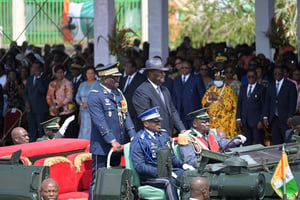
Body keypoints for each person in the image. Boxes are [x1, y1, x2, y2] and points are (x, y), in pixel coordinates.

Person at [87, 63, 136, 199]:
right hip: (102, 146)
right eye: (114, 78)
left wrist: (133, 136)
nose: (118, 80)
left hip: (118, 146)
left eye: (118, 77)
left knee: (114, 179)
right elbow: (99, 121)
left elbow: (125, 115)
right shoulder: (95, 95)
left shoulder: (118, 93)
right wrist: (111, 140)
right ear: (104, 79)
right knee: (98, 179)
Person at [130, 106, 194, 200]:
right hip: (150, 176)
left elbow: (172, 157)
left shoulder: (163, 135)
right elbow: (140, 166)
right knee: (169, 182)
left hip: (170, 171)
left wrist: (183, 165)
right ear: (146, 123)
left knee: (188, 175)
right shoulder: (140, 140)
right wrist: (162, 172)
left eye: (159, 121)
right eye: (155, 122)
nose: (159, 124)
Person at [133, 56, 185, 136]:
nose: (164, 74)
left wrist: (182, 130)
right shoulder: (142, 91)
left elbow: (173, 111)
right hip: (153, 137)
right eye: (160, 72)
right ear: (150, 73)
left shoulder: (165, 90)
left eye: (163, 71)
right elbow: (146, 118)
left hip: (167, 135)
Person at [178, 108, 246, 168]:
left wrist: (235, 141)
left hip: (218, 165)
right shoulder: (186, 137)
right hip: (202, 169)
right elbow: (190, 160)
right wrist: (207, 165)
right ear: (195, 124)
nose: (208, 124)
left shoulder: (211, 133)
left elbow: (223, 143)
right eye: (204, 122)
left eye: (208, 122)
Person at [263, 65, 297, 145]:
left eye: (279, 73)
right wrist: (265, 116)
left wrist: (290, 116)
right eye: (275, 73)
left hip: (285, 118)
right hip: (274, 118)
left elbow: (292, 102)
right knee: (275, 141)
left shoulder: (290, 85)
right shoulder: (270, 85)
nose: (277, 75)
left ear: (283, 74)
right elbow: (267, 102)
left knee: (287, 140)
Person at [202, 70, 238, 138]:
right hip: (212, 121)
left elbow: (229, 107)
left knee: (223, 139)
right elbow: (204, 106)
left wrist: (218, 98)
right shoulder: (210, 89)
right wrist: (209, 100)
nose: (217, 81)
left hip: (224, 122)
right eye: (216, 79)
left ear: (223, 80)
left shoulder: (229, 91)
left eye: (219, 79)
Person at [172, 59, 206, 129]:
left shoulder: (196, 79)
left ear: (190, 69)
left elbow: (202, 95)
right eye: (182, 68)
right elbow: (174, 96)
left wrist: (201, 111)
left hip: (192, 112)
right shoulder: (176, 80)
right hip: (179, 112)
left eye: (186, 68)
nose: (184, 69)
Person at [46, 64, 77, 138]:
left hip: (66, 111)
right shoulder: (52, 83)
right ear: (55, 73)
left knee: (67, 131)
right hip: (54, 112)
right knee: (55, 132)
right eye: (58, 72)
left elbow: (69, 97)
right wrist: (52, 106)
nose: (59, 74)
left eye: (61, 72)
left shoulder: (67, 83)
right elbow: (48, 96)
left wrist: (58, 106)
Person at [237, 69, 266, 145]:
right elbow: (239, 103)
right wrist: (238, 118)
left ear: (256, 77)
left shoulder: (261, 88)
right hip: (245, 120)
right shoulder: (243, 87)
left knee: (258, 141)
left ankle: (260, 157)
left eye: (252, 76)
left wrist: (261, 120)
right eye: (249, 77)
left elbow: (264, 106)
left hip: (256, 121)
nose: (250, 78)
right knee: (246, 142)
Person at [24, 61, 51, 142]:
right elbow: (26, 93)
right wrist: (26, 102)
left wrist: (38, 78)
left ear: (40, 69)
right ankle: (32, 143)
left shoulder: (46, 78)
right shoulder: (30, 79)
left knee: (41, 129)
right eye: (33, 67)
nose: (34, 69)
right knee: (32, 129)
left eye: (36, 68)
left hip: (41, 109)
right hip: (30, 108)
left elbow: (43, 90)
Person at [119, 59, 146, 133]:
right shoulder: (123, 79)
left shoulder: (141, 78)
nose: (125, 69)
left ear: (133, 68)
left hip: (135, 111)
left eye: (127, 67)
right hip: (125, 110)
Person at [75, 66, 98, 139]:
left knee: (91, 128)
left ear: (95, 74)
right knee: (83, 128)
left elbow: (99, 97)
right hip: (83, 111)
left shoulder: (98, 84)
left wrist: (88, 103)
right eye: (88, 73)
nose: (90, 75)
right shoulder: (82, 84)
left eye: (92, 73)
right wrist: (81, 103)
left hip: (93, 110)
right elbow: (77, 97)